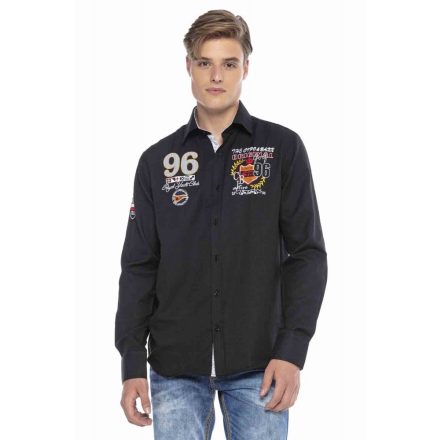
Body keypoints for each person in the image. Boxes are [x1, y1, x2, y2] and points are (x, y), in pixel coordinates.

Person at [115, 9, 328, 440]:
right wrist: (132, 361)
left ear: (245, 67)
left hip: (261, 364)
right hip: (174, 367)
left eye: (229, 63)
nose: (216, 76)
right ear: (188, 66)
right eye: (204, 62)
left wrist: (292, 350)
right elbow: (139, 264)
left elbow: (307, 255)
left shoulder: (281, 149)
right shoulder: (157, 162)